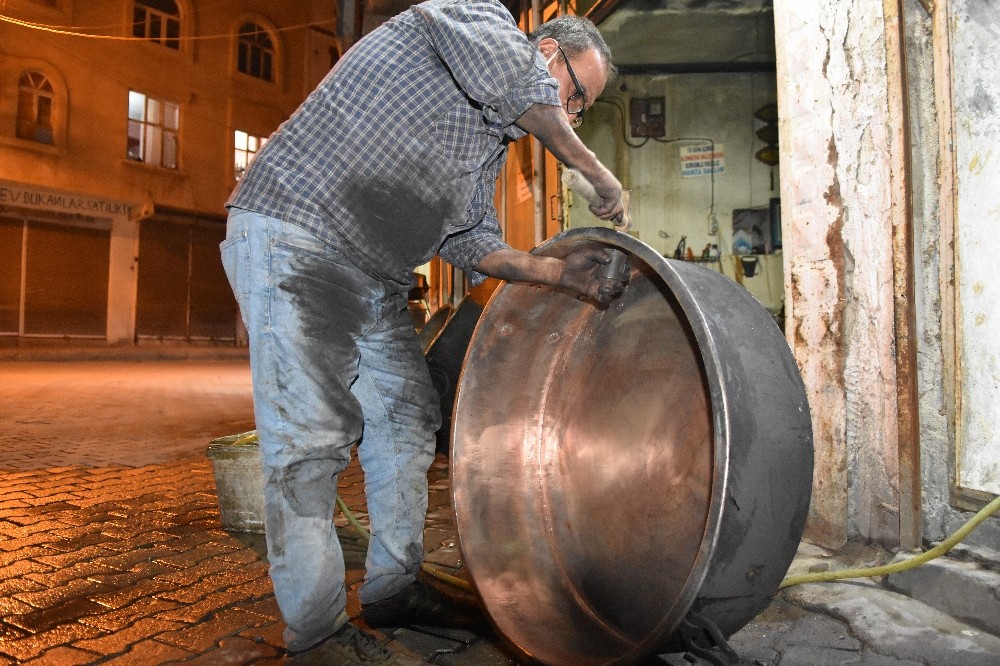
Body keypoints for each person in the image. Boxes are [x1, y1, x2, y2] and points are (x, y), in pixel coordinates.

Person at [220, 0, 625, 662]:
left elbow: (469, 238)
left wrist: (554, 274)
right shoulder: (477, 21)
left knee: (408, 424)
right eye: (576, 98)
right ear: (548, 54)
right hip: (297, 236)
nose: (572, 116)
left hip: (374, 273)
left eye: (580, 113)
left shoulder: (489, 141)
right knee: (309, 446)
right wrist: (590, 167)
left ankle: (392, 588)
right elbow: (513, 82)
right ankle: (317, 634)